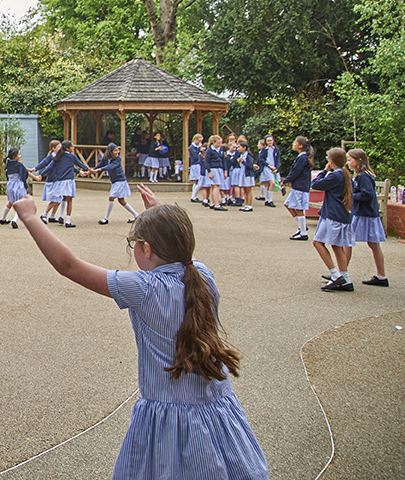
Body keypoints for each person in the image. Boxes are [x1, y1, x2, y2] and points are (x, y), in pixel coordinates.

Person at [14, 189, 268, 480]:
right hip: (219, 411)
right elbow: (185, 257)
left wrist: (31, 217)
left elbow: (69, 266)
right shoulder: (202, 275)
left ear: (146, 249)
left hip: (171, 421)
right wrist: (160, 215)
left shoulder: (145, 288)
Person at [311, 147, 356, 292]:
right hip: (340, 215)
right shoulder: (345, 175)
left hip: (332, 215)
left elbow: (315, 184)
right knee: (337, 246)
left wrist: (324, 171)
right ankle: (345, 278)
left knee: (318, 243)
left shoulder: (335, 176)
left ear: (331, 161)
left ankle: (336, 275)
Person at [347, 148, 388, 287]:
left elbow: (368, 194)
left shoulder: (363, 176)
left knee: (348, 241)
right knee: (373, 244)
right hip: (365, 213)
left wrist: (350, 197)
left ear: (358, 161)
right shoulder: (360, 175)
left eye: (350, 160)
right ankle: (381, 276)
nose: (348, 163)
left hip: (365, 214)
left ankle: (341, 273)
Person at [35, 140, 90, 228]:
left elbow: (49, 167)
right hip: (68, 181)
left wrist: (41, 174)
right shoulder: (72, 157)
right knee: (69, 200)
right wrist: (91, 170)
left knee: (58, 199)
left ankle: (55, 216)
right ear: (67, 148)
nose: (73, 148)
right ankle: (67, 221)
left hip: (60, 182)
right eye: (72, 146)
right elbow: (81, 165)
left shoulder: (59, 157)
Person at [93, 143, 141, 225]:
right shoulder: (106, 158)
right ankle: (137, 215)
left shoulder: (117, 159)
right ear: (110, 151)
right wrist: (91, 170)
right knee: (121, 200)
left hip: (120, 180)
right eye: (115, 150)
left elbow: (110, 167)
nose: (117, 152)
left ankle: (106, 218)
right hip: (115, 181)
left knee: (111, 197)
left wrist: (98, 170)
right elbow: (100, 165)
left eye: (118, 150)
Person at [282, 136, 313, 240]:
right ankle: (302, 226)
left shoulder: (302, 158)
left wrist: (285, 181)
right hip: (298, 187)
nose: (293, 144)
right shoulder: (301, 157)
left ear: (300, 146)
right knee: (288, 205)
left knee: (299, 209)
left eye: (295, 142)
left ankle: (303, 233)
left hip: (301, 187)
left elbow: (295, 172)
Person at [1, 146, 41, 228]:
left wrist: (28, 169)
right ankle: (14, 220)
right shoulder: (19, 165)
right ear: (14, 156)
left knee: (11, 202)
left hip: (10, 185)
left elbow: (22, 168)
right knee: (21, 203)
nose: (20, 156)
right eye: (19, 154)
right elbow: (25, 172)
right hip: (18, 185)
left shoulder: (8, 164)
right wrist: (36, 177)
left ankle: (3, 218)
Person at [203, 135, 227, 211]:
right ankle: (217, 204)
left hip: (219, 168)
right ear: (213, 142)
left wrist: (225, 170)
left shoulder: (221, 150)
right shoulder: (209, 150)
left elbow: (223, 161)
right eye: (218, 143)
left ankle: (213, 203)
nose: (220, 144)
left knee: (215, 186)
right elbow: (206, 162)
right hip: (213, 169)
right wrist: (209, 171)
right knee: (216, 186)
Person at [259, 135, 280, 207]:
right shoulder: (264, 150)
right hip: (267, 168)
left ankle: (268, 200)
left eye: (271, 140)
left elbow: (278, 160)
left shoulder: (276, 149)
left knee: (269, 184)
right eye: (268, 141)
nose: (270, 142)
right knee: (272, 183)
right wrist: (269, 165)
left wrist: (276, 168)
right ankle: (270, 200)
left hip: (274, 168)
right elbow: (261, 159)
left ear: (273, 141)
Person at [188, 134, 205, 203]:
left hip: (198, 164)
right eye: (199, 140)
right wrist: (200, 152)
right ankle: (193, 196)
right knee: (198, 180)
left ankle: (194, 196)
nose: (200, 142)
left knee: (197, 180)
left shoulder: (197, 147)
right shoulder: (192, 147)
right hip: (195, 164)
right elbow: (195, 156)